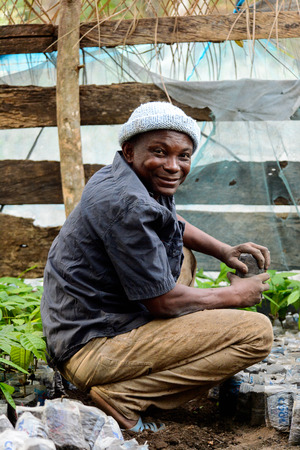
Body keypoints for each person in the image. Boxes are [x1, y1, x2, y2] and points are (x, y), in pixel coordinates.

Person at [41, 102, 273, 432]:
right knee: (256, 333)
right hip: (92, 346)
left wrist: (223, 250)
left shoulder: (126, 176)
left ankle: (168, 344)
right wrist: (233, 296)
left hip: (87, 322)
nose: (173, 166)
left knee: (184, 253)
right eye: (160, 152)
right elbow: (162, 302)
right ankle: (124, 396)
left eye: (184, 155)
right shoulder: (127, 203)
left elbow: (169, 220)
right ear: (130, 150)